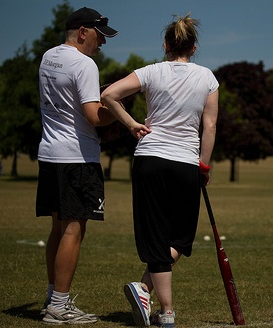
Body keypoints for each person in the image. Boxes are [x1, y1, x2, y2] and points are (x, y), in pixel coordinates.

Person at [102, 14, 219, 328]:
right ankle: (165, 311)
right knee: (179, 238)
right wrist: (204, 166)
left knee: (161, 236)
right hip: (185, 163)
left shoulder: (150, 71)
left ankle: (144, 290)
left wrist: (131, 125)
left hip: (150, 159)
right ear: (193, 47)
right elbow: (209, 126)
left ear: (166, 45)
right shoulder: (208, 77)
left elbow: (109, 95)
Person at [35, 7, 118, 325]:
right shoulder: (85, 64)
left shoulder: (48, 56)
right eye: (99, 36)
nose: (102, 44)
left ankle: (52, 297)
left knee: (57, 228)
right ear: (83, 32)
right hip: (77, 158)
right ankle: (59, 305)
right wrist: (116, 108)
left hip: (50, 154)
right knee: (74, 228)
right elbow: (94, 117)